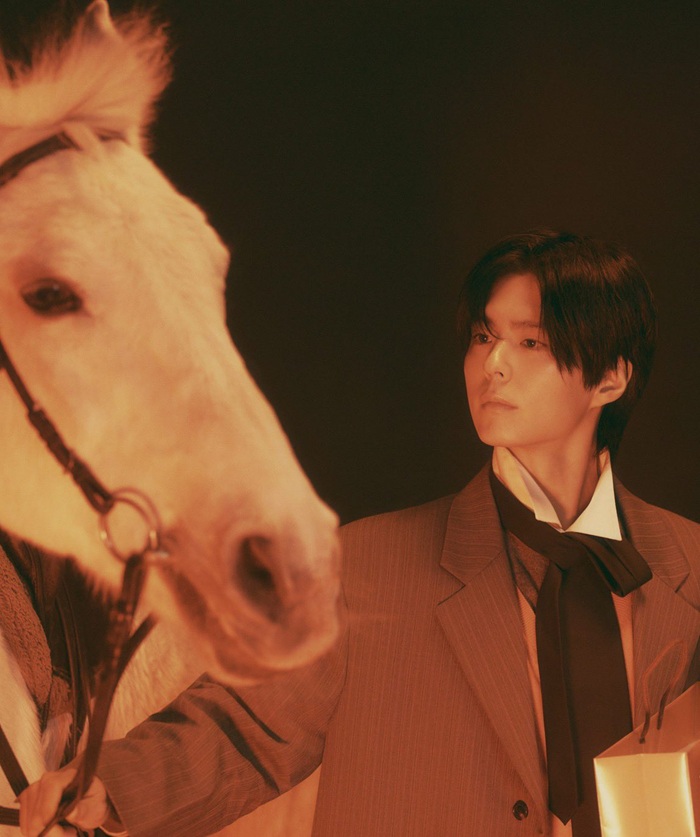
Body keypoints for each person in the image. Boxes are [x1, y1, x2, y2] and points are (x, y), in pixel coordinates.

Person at [19, 230, 700, 836]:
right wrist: (112, 786)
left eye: (531, 342)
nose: (493, 363)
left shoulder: (689, 567)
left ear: (609, 378)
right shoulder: (367, 566)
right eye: (483, 336)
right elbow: (246, 728)